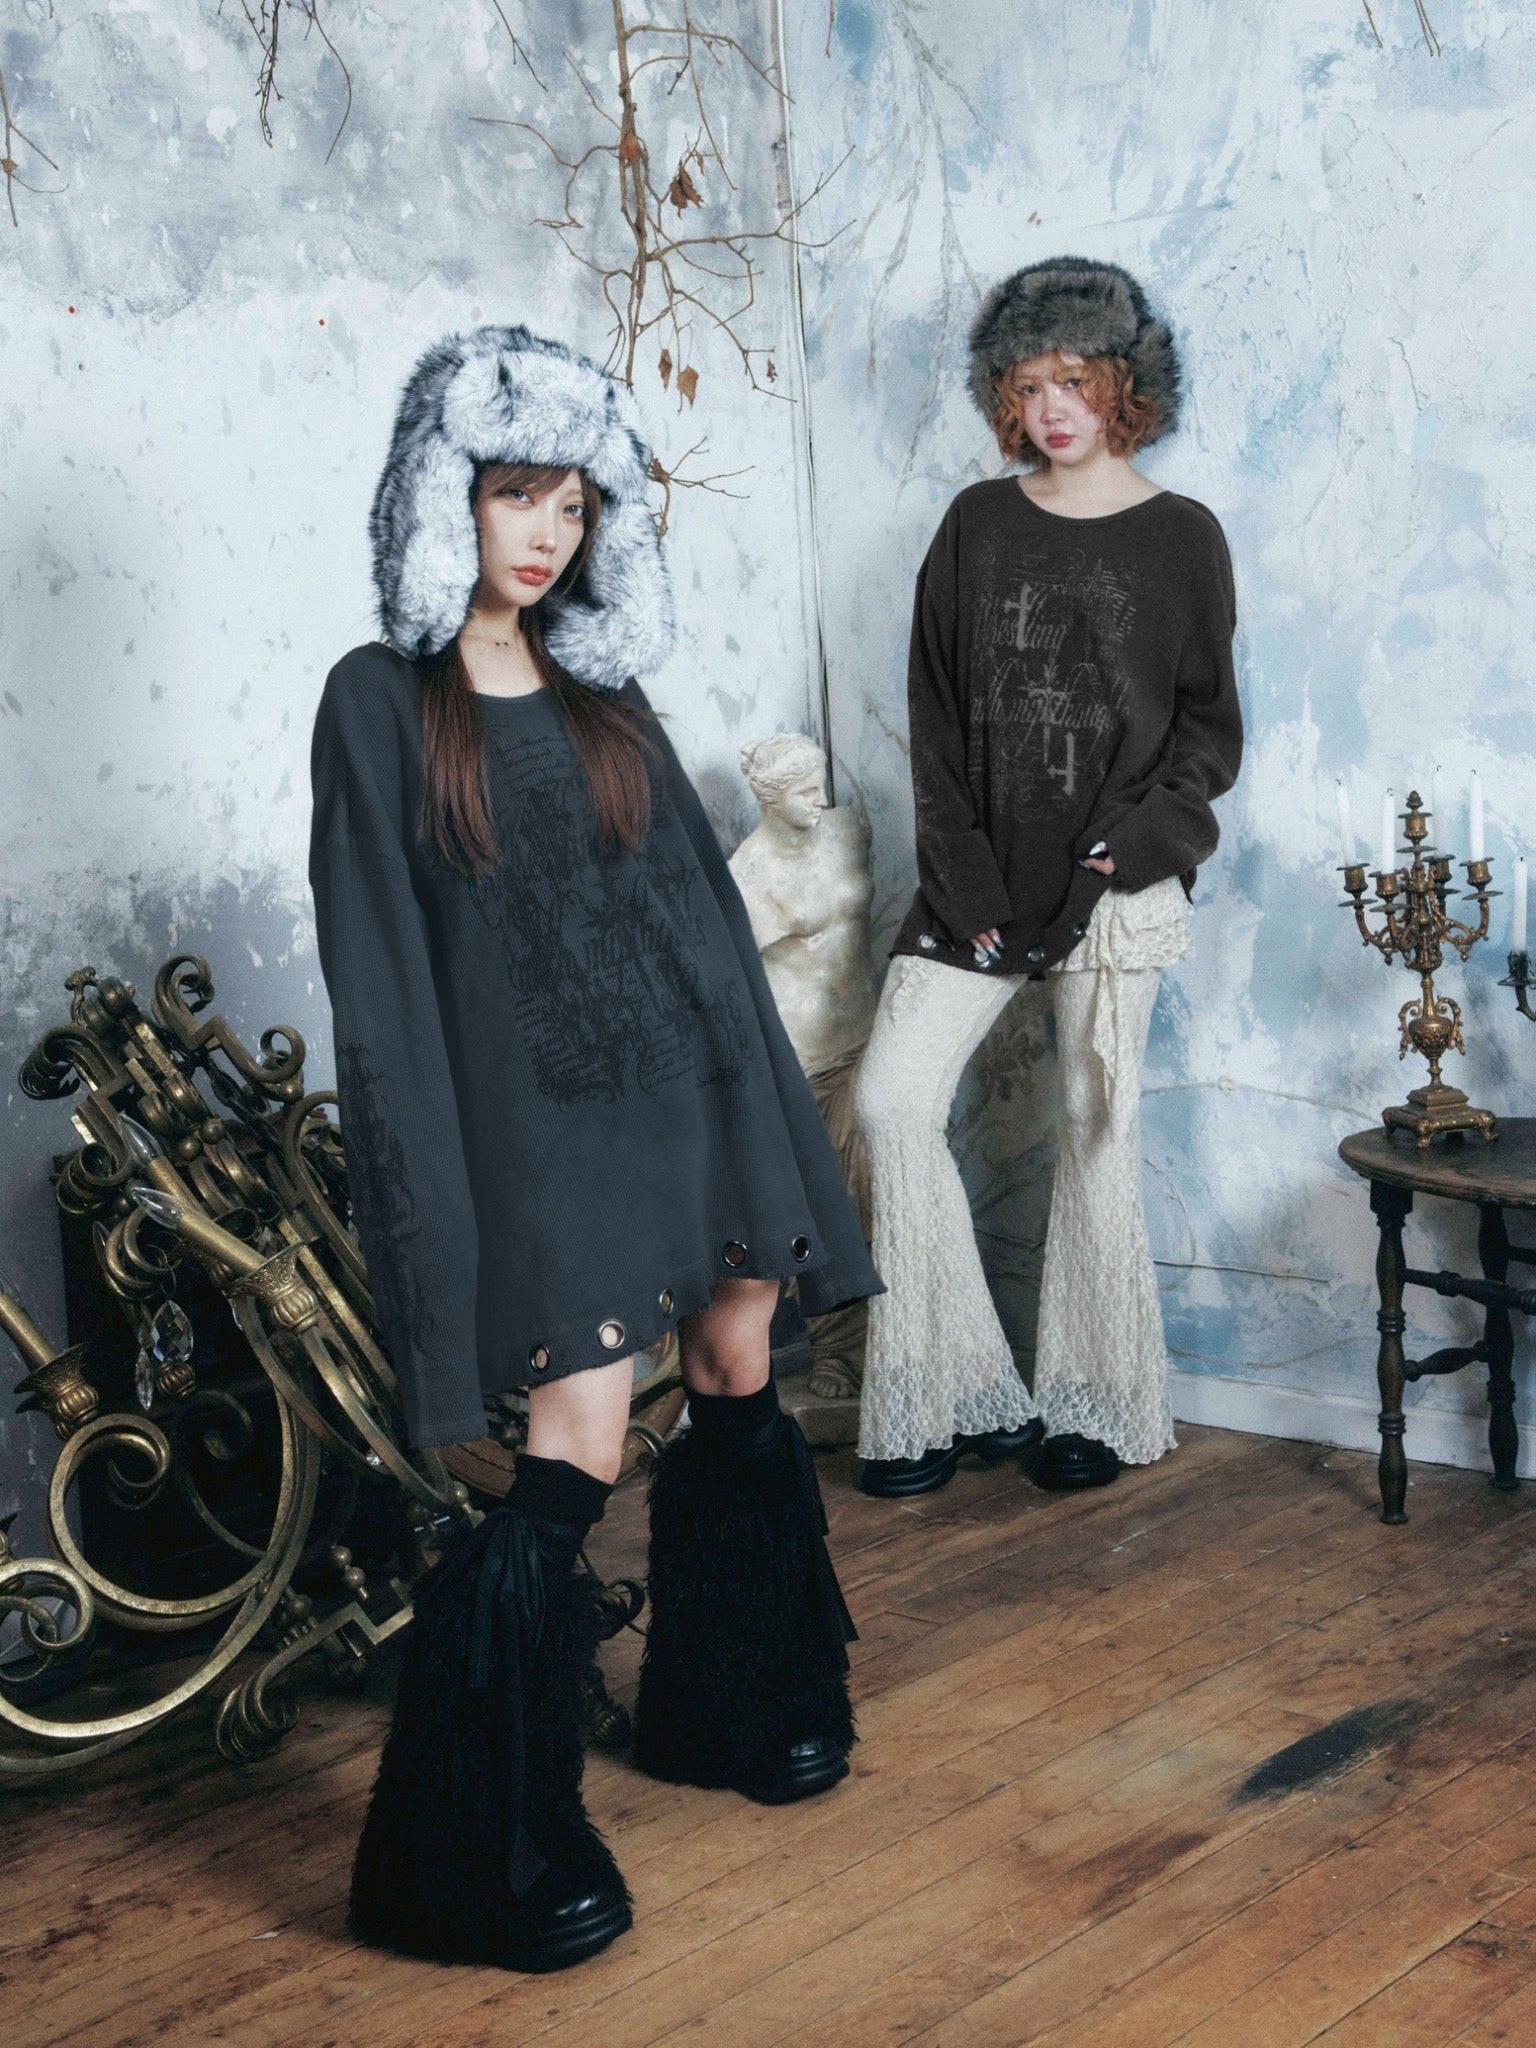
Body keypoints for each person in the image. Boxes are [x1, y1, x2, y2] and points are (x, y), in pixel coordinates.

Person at [308, 325, 882, 1973]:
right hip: (540, 1131)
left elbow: (700, 923)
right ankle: (465, 1851)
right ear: (444, 501)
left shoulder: (605, 690)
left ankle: (734, 1702)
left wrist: (763, 1120)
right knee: (580, 1439)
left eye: (573, 502)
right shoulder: (375, 701)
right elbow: (380, 974)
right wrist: (436, 1195)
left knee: (737, 1360)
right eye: (515, 496)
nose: (547, 534)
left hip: (687, 1085)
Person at [853, 256, 1242, 1500]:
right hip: (979, 876)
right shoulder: (976, 525)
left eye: (1073, 379)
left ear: (1123, 383)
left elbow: (1206, 736)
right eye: (1026, 386)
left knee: (1095, 1134)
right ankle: (955, 1388)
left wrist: (1136, 845)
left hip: (1116, 883)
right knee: (892, 1104)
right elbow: (931, 714)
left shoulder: (1184, 537)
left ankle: (1092, 1400)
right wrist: (962, 879)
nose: (1051, 408)